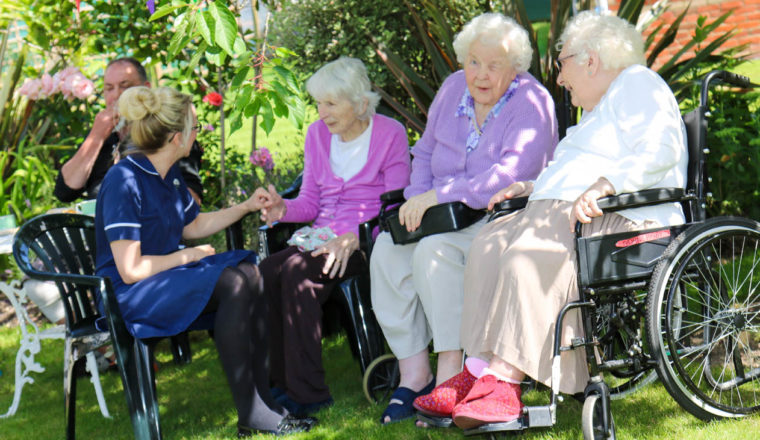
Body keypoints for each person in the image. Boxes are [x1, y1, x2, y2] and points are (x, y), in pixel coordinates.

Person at [448, 12, 688, 429]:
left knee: (527, 257)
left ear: (590, 60)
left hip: (622, 220)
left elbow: (661, 149)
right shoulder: (596, 112)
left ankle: (505, 381)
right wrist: (529, 187)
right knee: (487, 246)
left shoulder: (636, 83)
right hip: (563, 211)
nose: (560, 78)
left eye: (563, 65)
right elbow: (569, 171)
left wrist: (606, 185)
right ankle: (478, 370)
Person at [94, 86, 316, 437]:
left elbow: (193, 224)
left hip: (162, 281)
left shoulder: (167, 173)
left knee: (249, 272)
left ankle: (265, 404)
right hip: (128, 294)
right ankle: (254, 413)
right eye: (194, 128)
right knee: (233, 282)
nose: (196, 136)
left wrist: (245, 207)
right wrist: (187, 255)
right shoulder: (124, 180)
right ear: (176, 137)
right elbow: (130, 269)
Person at [369, 12, 558, 424]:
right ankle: (414, 372)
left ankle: (452, 370)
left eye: (494, 65)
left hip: (497, 217)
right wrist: (418, 199)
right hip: (441, 213)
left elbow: (511, 174)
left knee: (433, 254)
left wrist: (440, 195)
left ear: (516, 68)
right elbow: (423, 152)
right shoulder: (453, 88)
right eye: (474, 62)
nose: (481, 75)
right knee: (386, 252)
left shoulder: (531, 102)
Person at [256, 57, 411, 417]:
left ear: (359, 102)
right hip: (321, 237)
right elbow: (310, 202)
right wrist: (283, 209)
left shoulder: (390, 133)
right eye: (318, 103)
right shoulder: (317, 134)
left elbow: (394, 204)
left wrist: (355, 236)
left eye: (330, 103)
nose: (321, 112)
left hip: (367, 241)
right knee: (266, 272)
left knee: (297, 273)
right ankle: (280, 385)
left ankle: (309, 394)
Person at [54, 57, 203, 205]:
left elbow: (192, 200)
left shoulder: (167, 135)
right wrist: (96, 137)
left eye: (125, 86)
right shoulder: (102, 135)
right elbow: (65, 192)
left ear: (146, 89)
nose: (117, 95)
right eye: (109, 88)